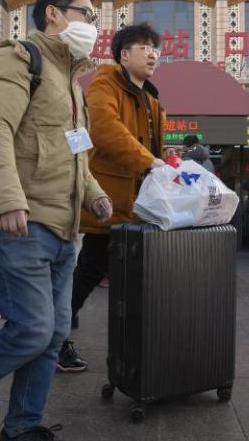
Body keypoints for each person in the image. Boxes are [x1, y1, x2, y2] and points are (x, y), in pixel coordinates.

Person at [0, 0, 111, 441]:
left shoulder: (72, 84)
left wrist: (93, 193)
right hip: (23, 220)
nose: (92, 26)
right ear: (53, 14)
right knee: (31, 330)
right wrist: (7, 197)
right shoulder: (17, 58)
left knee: (52, 337)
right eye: (86, 15)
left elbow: (77, 152)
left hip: (67, 227)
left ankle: (21, 426)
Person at [68, 23, 166, 372]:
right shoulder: (106, 82)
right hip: (108, 201)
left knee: (126, 277)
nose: (153, 53)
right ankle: (57, 336)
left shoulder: (151, 98)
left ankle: (133, 348)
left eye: (156, 48)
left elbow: (153, 149)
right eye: (145, 47)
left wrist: (168, 162)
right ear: (124, 54)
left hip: (140, 207)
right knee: (91, 270)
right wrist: (150, 161)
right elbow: (106, 129)